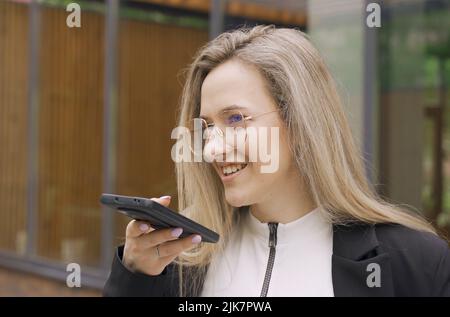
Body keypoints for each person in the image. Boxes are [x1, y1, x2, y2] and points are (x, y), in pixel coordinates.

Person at [103, 25, 450, 297]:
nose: (210, 149)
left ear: (300, 121)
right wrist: (134, 277)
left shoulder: (416, 265)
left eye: (235, 119)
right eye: (207, 127)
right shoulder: (181, 263)